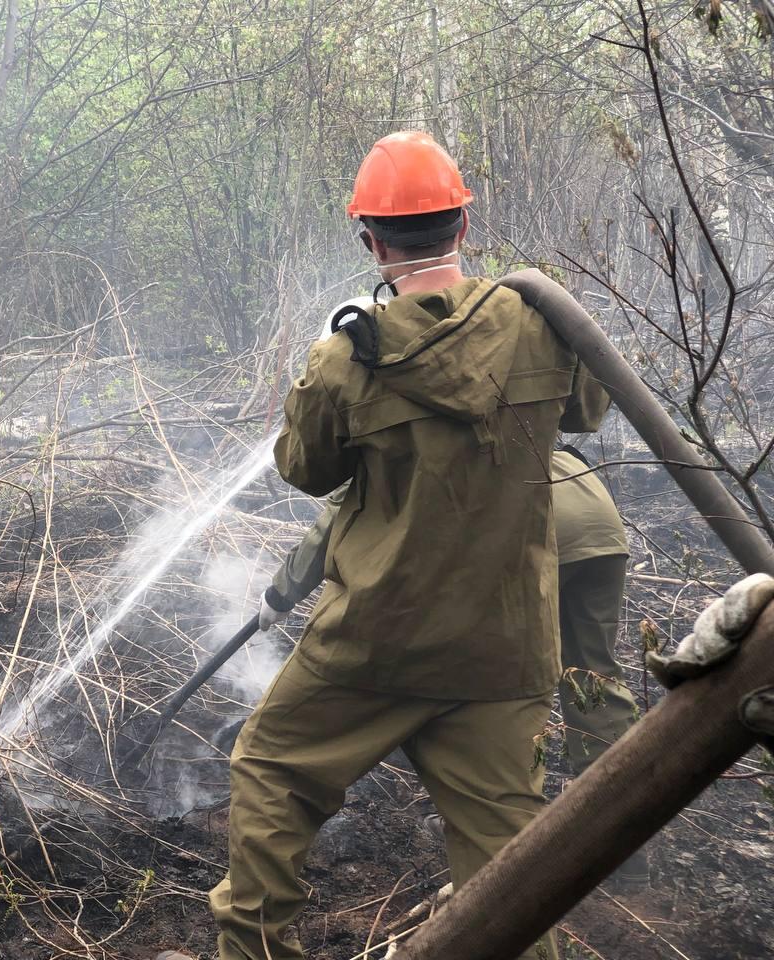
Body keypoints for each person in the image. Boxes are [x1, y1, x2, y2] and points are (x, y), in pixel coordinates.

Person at [205, 131, 609, 960]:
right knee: (514, 869)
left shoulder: (348, 356)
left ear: (372, 242)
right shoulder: (543, 322)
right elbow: (589, 413)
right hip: (504, 648)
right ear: (463, 223)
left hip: (373, 643)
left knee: (273, 769)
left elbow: (304, 471)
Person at [235, 446, 647, 887]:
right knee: (595, 681)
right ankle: (624, 856)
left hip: (528, 526)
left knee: (461, 662)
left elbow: (340, 513)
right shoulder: (506, 406)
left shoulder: (402, 437)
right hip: (592, 515)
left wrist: (280, 594)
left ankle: (474, 802)